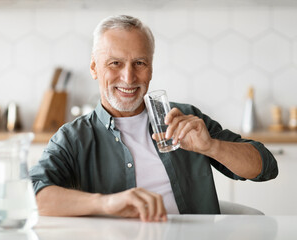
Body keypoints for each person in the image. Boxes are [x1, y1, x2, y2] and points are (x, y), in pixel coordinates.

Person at [29, 15, 278, 222]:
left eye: (139, 63)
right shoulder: (73, 138)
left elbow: (265, 167)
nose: (128, 77)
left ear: (151, 67)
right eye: (115, 63)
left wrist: (212, 147)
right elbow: (31, 196)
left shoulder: (186, 119)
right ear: (94, 68)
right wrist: (107, 203)